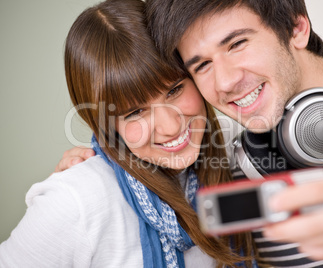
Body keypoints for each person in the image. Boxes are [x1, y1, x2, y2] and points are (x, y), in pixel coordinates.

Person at [52, 1, 323, 268]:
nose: (224, 83)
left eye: (236, 44)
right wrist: (95, 169)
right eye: (202, 65)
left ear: (296, 27)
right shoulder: (236, 180)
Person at [0, 0, 256, 267]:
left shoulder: (237, 152)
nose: (170, 127)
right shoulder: (76, 201)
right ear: (107, 125)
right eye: (134, 112)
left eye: (175, 90)